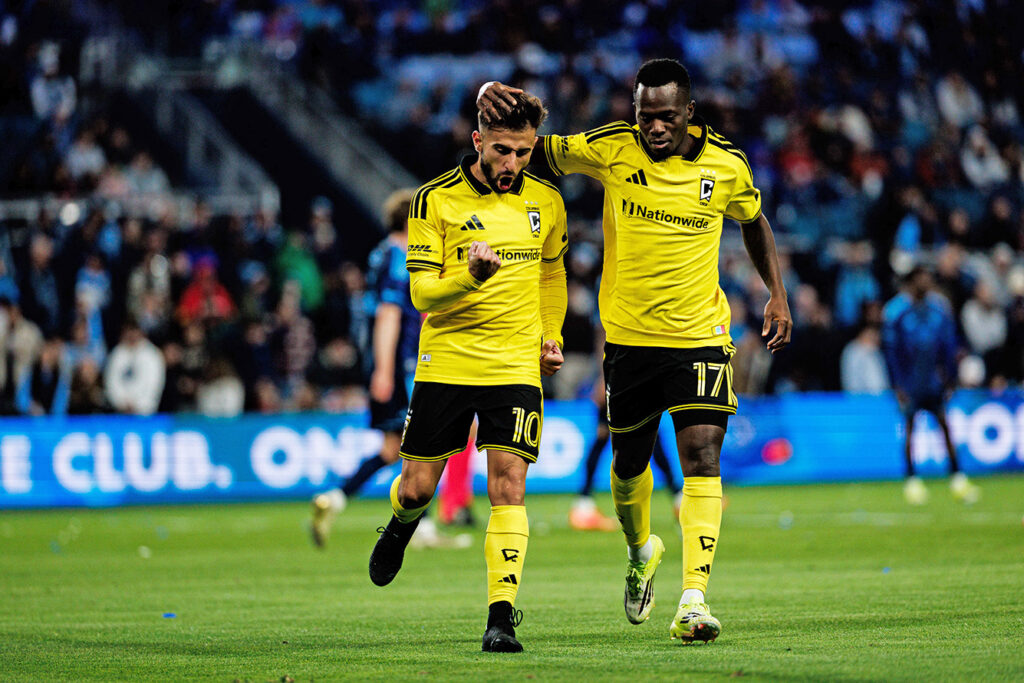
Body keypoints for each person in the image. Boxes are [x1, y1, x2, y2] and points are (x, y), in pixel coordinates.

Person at [479, 58, 792, 644]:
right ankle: (640, 550)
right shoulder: (609, 147)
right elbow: (530, 151)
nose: (652, 128)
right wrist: (494, 101)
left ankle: (694, 598)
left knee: (702, 455)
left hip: (701, 337)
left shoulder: (726, 163)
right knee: (628, 471)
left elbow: (754, 220)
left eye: (665, 117)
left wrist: (776, 293)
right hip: (629, 343)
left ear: (689, 113)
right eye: (644, 115)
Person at [368, 90, 567, 654]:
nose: (512, 165)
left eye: (524, 153)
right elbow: (421, 290)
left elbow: (552, 275)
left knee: (510, 486)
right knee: (417, 487)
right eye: (502, 151)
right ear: (477, 141)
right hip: (449, 359)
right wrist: (471, 277)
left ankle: (500, 618)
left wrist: (551, 335)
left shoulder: (547, 202)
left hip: (515, 364)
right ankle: (401, 525)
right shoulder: (434, 201)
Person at [310, 189, 464, 550]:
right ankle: (421, 530)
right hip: (402, 364)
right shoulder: (401, 256)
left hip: (389, 362)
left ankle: (334, 498)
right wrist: (383, 369)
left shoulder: (380, 253)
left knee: (392, 449)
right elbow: (389, 315)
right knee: (426, 442)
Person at [882, 266, 979, 505]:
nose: (926, 283)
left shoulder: (940, 307)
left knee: (945, 427)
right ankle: (912, 480)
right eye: (921, 279)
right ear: (912, 282)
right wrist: (897, 385)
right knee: (910, 429)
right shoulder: (896, 311)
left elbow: (949, 346)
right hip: (910, 382)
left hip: (934, 381)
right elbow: (891, 353)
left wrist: (951, 378)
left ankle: (957, 476)